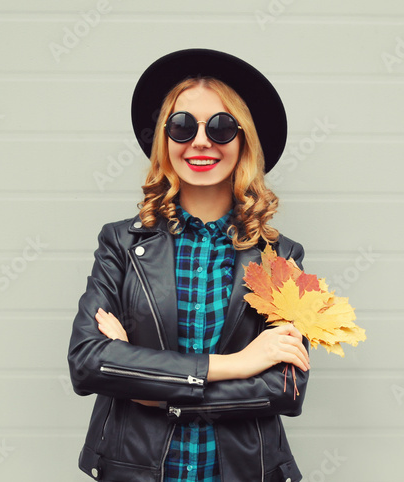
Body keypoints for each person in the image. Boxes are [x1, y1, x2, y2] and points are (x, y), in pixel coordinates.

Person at [68, 48, 311, 481]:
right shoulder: (121, 244)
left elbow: (284, 389)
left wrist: (150, 386)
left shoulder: (281, 257)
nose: (200, 142)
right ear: (164, 140)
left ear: (243, 141)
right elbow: (88, 362)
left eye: (220, 127)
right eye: (182, 126)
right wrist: (240, 363)